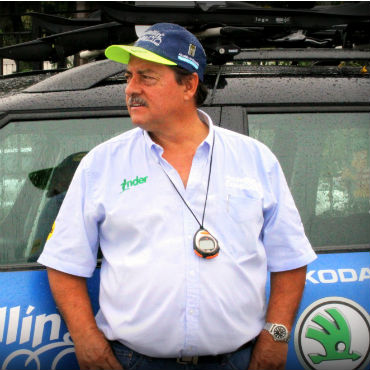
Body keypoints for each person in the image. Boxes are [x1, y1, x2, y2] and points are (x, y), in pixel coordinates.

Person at [38, 23, 317, 370]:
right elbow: (65, 262)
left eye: (147, 77)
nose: (131, 90)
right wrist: (85, 338)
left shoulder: (255, 159)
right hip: (132, 361)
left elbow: (289, 258)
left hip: (239, 361)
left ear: (188, 84)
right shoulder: (102, 164)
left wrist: (276, 336)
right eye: (129, 77)